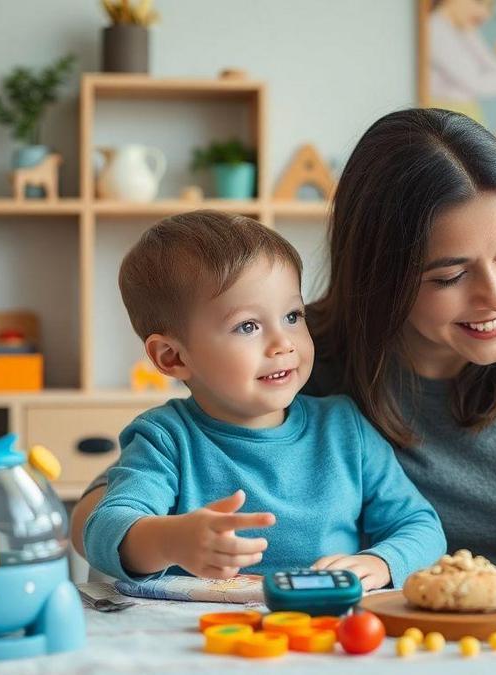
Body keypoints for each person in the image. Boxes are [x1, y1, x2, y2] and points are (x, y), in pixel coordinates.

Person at [73, 109, 496, 584]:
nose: (495, 297)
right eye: (449, 277)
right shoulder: (296, 358)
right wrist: (163, 538)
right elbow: (108, 506)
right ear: (381, 277)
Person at [81, 211, 445, 589]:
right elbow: (105, 527)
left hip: (325, 630)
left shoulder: (344, 428)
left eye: (292, 315)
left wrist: (382, 561)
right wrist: (170, 541)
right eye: (248, 326)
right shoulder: (165, 439)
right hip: (203, 635)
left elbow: (421, 526)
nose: (283, 343)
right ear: (173, 357)